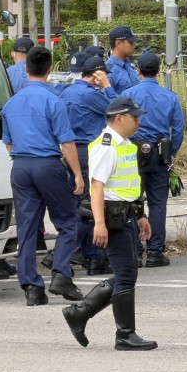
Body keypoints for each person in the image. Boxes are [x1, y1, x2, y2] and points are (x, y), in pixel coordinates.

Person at [61, 96, 157, 351]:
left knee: (127, 273)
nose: (139, 121)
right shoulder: (106, 146)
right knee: (126, 275)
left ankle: (79, 313)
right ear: (119, 118)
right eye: (135, 117)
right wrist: (99, 224)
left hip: (126, 215)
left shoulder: (125, 144)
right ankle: (124, 335)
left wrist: (140, 215)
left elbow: (128, 186)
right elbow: (97, 188)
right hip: (111, 217)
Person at [1, 45, 86, 306]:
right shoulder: (53, 100)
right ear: (50, 70)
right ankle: (60, 272)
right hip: (47, 165)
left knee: (27, 228)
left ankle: (31, 288)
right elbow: (67, 143)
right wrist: (78, 175)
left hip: (21, 167)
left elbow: (8, 143)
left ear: (25, 69)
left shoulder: (11, 103)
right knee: (69, 221)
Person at [60, 54, 119, 275]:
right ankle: (60, 254)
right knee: (90, 205)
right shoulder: (90, 94)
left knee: (81, 206)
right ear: (96, 75)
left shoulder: (68, 92)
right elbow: (119, 110)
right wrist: (107, 86)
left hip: (72, 151)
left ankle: (93, 257)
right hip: (89, 152)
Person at [127, 52, 184, 267]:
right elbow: (177, 130)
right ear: (159, 71)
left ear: (138, 71)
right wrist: (172, 153)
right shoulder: (169, 96)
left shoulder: (128, 94)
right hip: (160, 152)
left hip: (132, 152)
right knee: (158, 203)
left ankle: (133, 249)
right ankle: (155, 251)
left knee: (131, 201)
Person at [105, 25, 140, 92]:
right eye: (130, 42)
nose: (134, 46)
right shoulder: (108, 70)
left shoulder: (130, 66)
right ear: (118, 43)